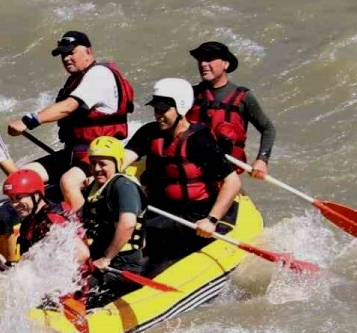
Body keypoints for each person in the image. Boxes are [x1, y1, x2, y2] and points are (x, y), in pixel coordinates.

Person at [6, 30, 135, 210]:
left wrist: (27, 122)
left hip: (100, 156)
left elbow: (67, 107)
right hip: (73, 154)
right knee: (23, 177)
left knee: (68, 182)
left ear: (88, 52)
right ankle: (44, 223)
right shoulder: (77, 79)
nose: (66, 58)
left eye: (71, 52)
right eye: (63, 54)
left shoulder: (99, 74)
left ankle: (84, 230)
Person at [124, 78, 242, 264]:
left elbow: (233, 182)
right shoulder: (149, 133)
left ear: (180, 108)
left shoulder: (200, 140)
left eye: (163, 110)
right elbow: (124, 158)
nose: (158, 115)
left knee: (142, 233)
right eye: (156, 109)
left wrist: (211, 220)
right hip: (161, 209)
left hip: (194, 216)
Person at [186, 41, 276, 179]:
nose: (203, 64)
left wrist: (262, 160)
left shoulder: (243, 98)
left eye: (209, 59)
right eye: (201, 59)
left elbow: (268, 129)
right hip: (191, 170)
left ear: (225, 64)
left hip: (225, 175)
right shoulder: (188, 94)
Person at [76, 136, 148, 307]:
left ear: (117, 163)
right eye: (93, 163)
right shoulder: (96, 186)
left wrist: (106, 258)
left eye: (103, 164)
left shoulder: (124, 186)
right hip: (99, 257)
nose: (96, 169)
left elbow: (128, 223)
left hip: (122, 264)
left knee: (77, 291)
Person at [1, 169, 84, 261]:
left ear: (36, 194)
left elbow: (82, 254)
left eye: (19, 198)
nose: (14, 204)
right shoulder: (28, 223)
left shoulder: (52, 219)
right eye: (11, 199)